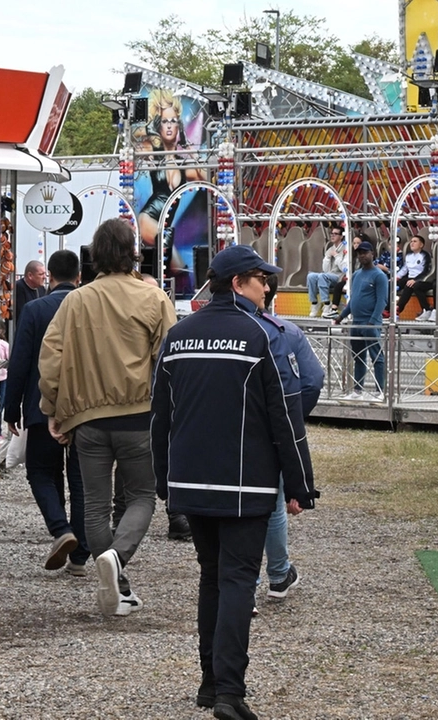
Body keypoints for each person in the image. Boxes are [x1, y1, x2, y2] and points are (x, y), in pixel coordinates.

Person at [150, 244, 317, 720]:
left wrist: (166, 481)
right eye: (263, 280)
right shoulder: (258, 335)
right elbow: (285, 416)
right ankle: (228, 693)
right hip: (245, 484)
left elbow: (160, 415)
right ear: (240, 282)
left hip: (192, 483)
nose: (269, 288)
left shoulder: (178, 336)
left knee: (212, 579)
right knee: (239, 580)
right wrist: (300, 484)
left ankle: (209, 684)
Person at [39, 218, 176, 618]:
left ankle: (117, 582)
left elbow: (50, 361)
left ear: (93, 256)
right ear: (135, 251)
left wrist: (54, 409)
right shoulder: (154, 299)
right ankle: (118, 559)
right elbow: (169, 362)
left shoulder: (75, 301)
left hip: (88, 420)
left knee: (94, 506)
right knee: (141, 497)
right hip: (139, 415)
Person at [4, 250, 92, 576]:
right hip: (85, 407)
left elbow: (21, 361)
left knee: (41, 471)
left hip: (43, 405)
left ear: (49, 276)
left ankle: (60, 528)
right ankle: (81, 555)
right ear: (79, 276)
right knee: (81, 480)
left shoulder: (35, 309)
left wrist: (11, 408)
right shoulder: (90, 307)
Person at [260, 273, 324, 602]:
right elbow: (313, 380)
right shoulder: (288, 332)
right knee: (273, 504)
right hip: (276, 429)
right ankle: (278, 574)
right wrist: (293, 416)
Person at [137, 89, 206, 247]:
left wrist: (192, 152)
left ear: (179, 126)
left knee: (171, 264)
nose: (169, 126)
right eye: (164, 121)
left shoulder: (183, 164)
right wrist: (150, 130)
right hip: (147, 219)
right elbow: (135, 138)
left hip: (165, 227)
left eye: (173, 121)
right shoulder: (153, 152)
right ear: (158, 125)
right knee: (169, 253)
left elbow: (208, 178)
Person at [336, 240, 389, 401]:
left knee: (377, 357)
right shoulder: (356, 275)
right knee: (358, 357)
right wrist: (341, 316)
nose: (362, 256)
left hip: (369, 323)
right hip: (356, 322)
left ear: (372, 254)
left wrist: (373, 321)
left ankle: (381, 391)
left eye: (365, 252)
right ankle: (357, 391)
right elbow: (353, 301)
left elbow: (382, 301)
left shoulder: (379, 276)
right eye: (360, 253)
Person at [306, 226, 349, 318]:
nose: (332, 236)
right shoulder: (330, 249)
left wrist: (337, 256)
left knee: (322, 276)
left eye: (335, 234)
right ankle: (314, 302)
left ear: (341, 236)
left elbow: (344, 268)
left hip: (339, 277)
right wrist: (327, 257)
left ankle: (326, 303)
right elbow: (326, 270)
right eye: (331, 234)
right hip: (329, 275)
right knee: (311, 276)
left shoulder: (345, 249)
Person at [396, 234, 434, 320]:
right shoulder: (408, 255)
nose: (412, 243)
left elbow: (426, 271)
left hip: (423, 279)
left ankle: (398, 308)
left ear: (421, 245)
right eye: (411, 242)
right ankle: (388, 308)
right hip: (410, 278)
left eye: (415, 241)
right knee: (393, 283)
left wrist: (415, 280)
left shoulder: (425, 255)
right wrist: (396, 277)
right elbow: (404, 269)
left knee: (410, 285)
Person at [12, 260, 48, 328]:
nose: (45, 277)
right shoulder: (18, 288)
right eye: (41, 274)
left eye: (45, 274)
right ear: (30, 275)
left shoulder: (42, 289)